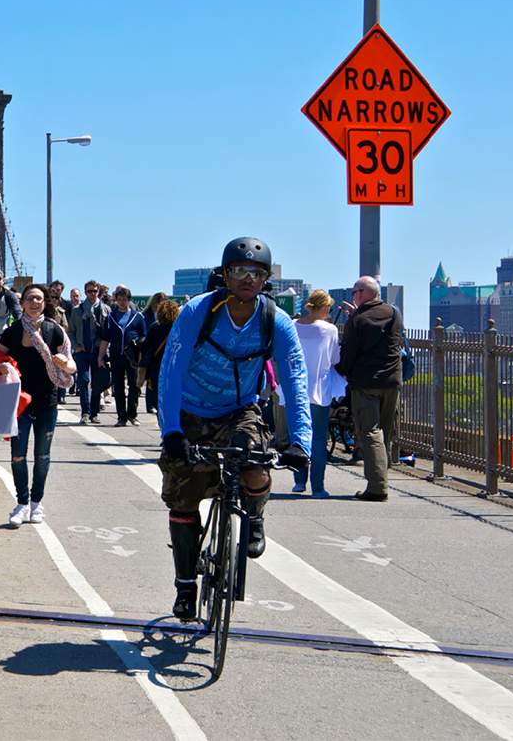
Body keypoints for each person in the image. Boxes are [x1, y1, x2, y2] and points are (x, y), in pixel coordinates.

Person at [157, 237, 311, 620]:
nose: (248, 278)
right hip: (190, 412)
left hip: (239, 411)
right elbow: (170, 372)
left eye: (257, 273)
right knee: (184, 498)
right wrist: (171, 431)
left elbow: (295, 380)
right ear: (225, 275)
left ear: (265, 280)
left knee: (256, 465)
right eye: (240, 271)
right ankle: (185, 586)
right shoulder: (198, 311)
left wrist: (300, 443)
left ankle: (255, 516)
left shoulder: (274, 321)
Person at [0, 282, 74, 526]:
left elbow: (72, 368)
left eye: (39, 298)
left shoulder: (55, 330)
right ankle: (21, 503)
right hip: (18, 405)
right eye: (30, 298)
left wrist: (64, 363)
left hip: (47, 403)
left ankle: (36, 504)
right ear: (22, 303)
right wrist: (1, 368)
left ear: (45, 302)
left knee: (42, 456)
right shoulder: (12, 331)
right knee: (18, 455)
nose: (35, 302)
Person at [336, 276, 404, 502]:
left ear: (362, 293)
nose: (353, 295)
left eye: (355, 292)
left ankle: (377, 487)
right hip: (392, 381)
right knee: (385, 431)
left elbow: (348, 354)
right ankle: (382, 475)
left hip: (365, 383)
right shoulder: (394, 314)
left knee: (370, 432)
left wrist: (342, 372)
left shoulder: (357, 321)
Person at [288, 290, 345, 497]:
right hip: (320, 387)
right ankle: (318, 487)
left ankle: (299, 481)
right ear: (323, 307)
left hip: (296, 387)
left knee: (298, 435)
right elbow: (334, 360)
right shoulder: (330, 330)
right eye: (328, 307)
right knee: (319, 437)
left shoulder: (293, 327)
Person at [97, 286, 148, 426]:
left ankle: (133, 414)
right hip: (116, 355)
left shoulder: (138, 317)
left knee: (134, 385)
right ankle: (121, 417)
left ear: (129, 300)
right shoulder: (110, 317)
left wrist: (139, 345)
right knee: (118, 387)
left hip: (132, 356)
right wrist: (100, 357)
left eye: (124, 300)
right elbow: (105, 338)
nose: (121, 302)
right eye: (119, 300)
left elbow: (144, 335)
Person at [70, 279, 111, 424]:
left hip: (99, 351)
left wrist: (106, 350)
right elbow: (71, 331)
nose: (92, 294)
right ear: (85, 293)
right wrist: (76, 346)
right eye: (89, 291)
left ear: (98, 292)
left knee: (97, 383)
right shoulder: (77, 310)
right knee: (83, 380)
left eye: (95, 291)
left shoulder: (105, 309)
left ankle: (94, 413)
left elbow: (109, 332)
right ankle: (85, 413)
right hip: (82, 350)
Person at [141, 297, 178, 415]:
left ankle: (162, 423)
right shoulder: (178, 330)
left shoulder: (154, 329)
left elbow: (144, 347)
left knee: (159, 399)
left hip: (157, 368)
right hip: (173, 367)